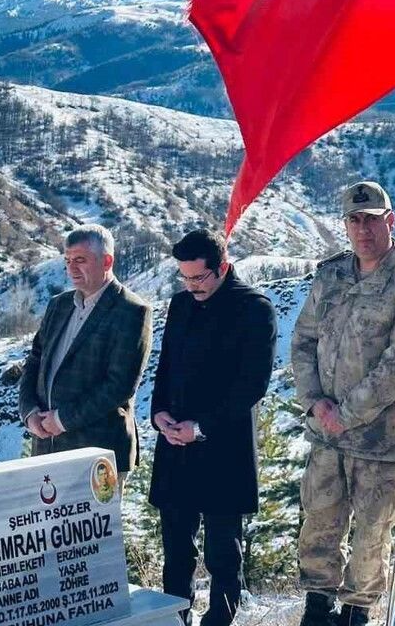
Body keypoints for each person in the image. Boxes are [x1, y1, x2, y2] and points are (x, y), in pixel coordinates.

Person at [291, 181, 395, 626]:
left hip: (379, 439)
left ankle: (357, 612)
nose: (363, 229)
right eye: (354, 219)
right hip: (327, 434)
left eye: (372, 219)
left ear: (391, 221)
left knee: (372, 534)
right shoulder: (331, 274)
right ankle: (317, 606)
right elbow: (303, 341)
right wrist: (315, 404)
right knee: (319, 525)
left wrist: (345, 415)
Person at [150, 229, 277, 626]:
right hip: (176, 446)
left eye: (199, 278)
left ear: (222, 267)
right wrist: (159, 414)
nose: (192, 286)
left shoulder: (254, 308)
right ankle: (174, 619)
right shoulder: (181, 304)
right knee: (176, 551)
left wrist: (201, 427)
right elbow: (166, 369)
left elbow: (252, 386)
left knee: (223, 553)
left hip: (224, 448)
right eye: (184, 278)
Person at [18, 224, 152, 477]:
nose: (71, 268)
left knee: (98, 520)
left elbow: (119, 385)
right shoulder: (59, 305)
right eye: (68, 260)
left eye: (80, 260)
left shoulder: (132, 311)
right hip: (47, 449)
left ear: (107, 261)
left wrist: (62, 420)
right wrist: (30, 412)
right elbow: (34, 361)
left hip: (98, 454)